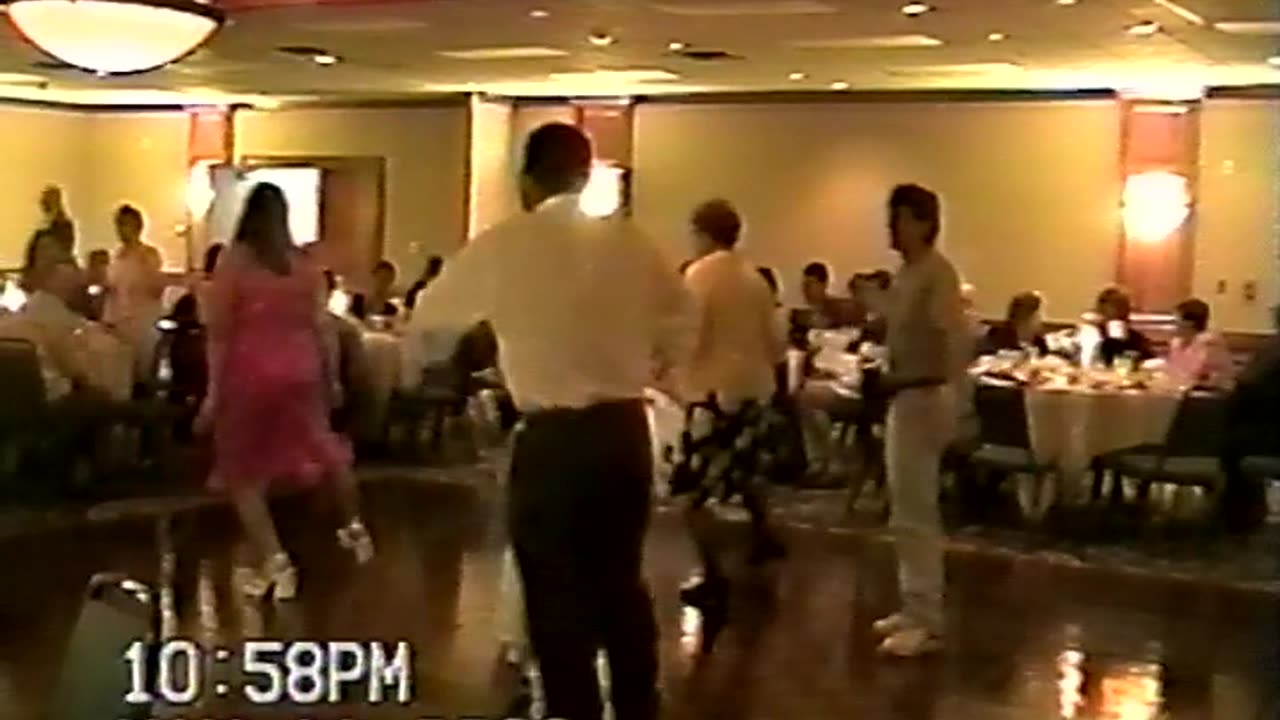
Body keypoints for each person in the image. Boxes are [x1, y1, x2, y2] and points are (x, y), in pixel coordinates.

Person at [405, 123, 691, 720]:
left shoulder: (507, 243)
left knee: (554, 592)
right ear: (587, 176)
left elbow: (430, 323)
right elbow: (681, 322)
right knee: (621, 582)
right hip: (623, 433)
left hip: (554, 439)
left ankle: (573, 707)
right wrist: (650, 363)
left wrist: (481, 346)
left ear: (526, 181)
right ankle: (641, 705)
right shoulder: (634, 244)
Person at [198, 183, 374, 601]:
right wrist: (330, 377)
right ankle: (355, 528)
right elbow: (322, 326)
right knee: (325, 447)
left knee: (243, 473)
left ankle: (277, 564)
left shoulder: (234, 263)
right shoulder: (301, 264)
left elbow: (220, 332)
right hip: (301, 368)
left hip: (251, 370)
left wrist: (212, 392)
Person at [669, 200, 787, 652]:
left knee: (693, 491)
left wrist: (671, 376)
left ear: (701, 232)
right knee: (744, 471)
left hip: (713, 393)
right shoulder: (755, 278)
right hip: (754, 389)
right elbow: (777, 342)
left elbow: (687, 335)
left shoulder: (699, 276)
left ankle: (713, 576)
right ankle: (764, 534)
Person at [874, 183, 967, 657]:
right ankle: (913, 605)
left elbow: (952, 343)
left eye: (900, 218)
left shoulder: (937, 275)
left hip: (924, 397)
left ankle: (927, 616)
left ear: (924, 223)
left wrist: (955, 398)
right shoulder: (906, 274)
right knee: (903, 510)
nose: (891, 227)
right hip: (904, 395)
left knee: (917, 509)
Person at [103, 205, 167, 382]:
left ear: (138, 226)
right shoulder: (117, 257)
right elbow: (112, 291)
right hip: (119, 324)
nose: (121, 230)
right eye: (119, 225)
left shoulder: (148, 254)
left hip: (142, 323)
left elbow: (157, 288)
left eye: (126, 225)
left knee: (143, 374)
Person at [1166, 298, 1232, 389]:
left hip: (1211, 396)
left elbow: (1205, 379)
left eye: (1176, 320)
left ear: (1189, 323)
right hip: (1184, 392)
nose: (1173, 325)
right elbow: (1173, 372)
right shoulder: (1177, 343)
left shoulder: (1210, 344)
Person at [21, 186, 77, 291]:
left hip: (52, 276)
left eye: (45, 200)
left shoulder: (62, 224)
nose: (42, 203)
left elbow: (63, 250)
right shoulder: (46, 224)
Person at [1092, 286, 1153, 365]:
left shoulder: (1137, 339)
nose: (1121, 311)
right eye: (1115, 306)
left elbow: (1150, 361)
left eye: (1124, 306)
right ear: (1101, 310)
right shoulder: (1092, 337)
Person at [981, 291, 1049, 355]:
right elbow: (988, 358)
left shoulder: (1039, 340)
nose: (1041, 317)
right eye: (1040, 313)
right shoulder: (997, 334)